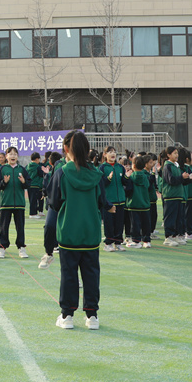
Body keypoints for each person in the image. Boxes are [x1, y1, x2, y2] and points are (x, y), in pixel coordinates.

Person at [46, 130, 109, 330]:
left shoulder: (61, 173)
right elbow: (102, 202)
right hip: (90, 233)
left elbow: (54, 203)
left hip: (68, 233)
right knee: (91, 275)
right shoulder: (97, 175)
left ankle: (67, 315)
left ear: (66, 149)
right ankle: (92, 316)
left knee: (69, 275)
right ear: (87, 149)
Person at [0, 146, 30, 259]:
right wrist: (4, 182)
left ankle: (21, 248)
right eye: (10, 154)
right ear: (6, 156)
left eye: (15, 154)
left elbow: (28, 184)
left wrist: (24, 182)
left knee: (20, 227)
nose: (13, 156)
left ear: (18, 156)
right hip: (6, 203)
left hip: (19, 203)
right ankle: (2, 248)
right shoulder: (2, 169)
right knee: (4, 227)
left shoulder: (22, 169)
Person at [39, 150, 67, 269]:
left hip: (73, 204)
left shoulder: (85, 167)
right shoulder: (60, 165)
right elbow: (52, 182)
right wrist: (47, 193)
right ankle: (49, 253)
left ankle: (75, 277)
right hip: (56, 202)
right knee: (50, 226)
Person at [99, 147, 127, 252]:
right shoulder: (102, 168)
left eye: (114, 152)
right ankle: (108, 243)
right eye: (110, 152)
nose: (113, 154)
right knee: (109, 223)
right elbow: (101, 184)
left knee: (119, 223)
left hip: (120, 200)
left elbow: (124, 182)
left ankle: (118, 242)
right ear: (105, 154)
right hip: (109, 201)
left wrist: (127, 177)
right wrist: (108, 179)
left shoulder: (120, 167)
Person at [159, 147, 186, 247]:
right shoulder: (167, 166)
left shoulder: (176, 166)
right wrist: (182, 177)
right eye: (174, 153)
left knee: (177, 217)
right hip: (170, 196)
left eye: (177, 153)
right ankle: (168, 237)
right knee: (170, 217)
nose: (177, 155)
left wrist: (186, 178)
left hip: (178, 196)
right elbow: (171, 180)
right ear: (168, 155)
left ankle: (175, 236)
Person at [126, 155, 152, 248]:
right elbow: (148, 186)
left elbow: (128, 190)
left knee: (135, 224)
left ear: (133, 165)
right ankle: (147, 240)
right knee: (146, 223)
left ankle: (136, 241)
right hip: (145, 204)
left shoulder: (131, 177)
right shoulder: (145, 176)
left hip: (134, 204)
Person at [26, 152, 44, 219]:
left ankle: (33, 213)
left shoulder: (27, 166)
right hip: (35, 185)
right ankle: (33, 214)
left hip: (29, 185)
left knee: (31, 200)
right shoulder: (38, 167)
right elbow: (41, 175)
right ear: (37, 159)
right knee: (34, 200)